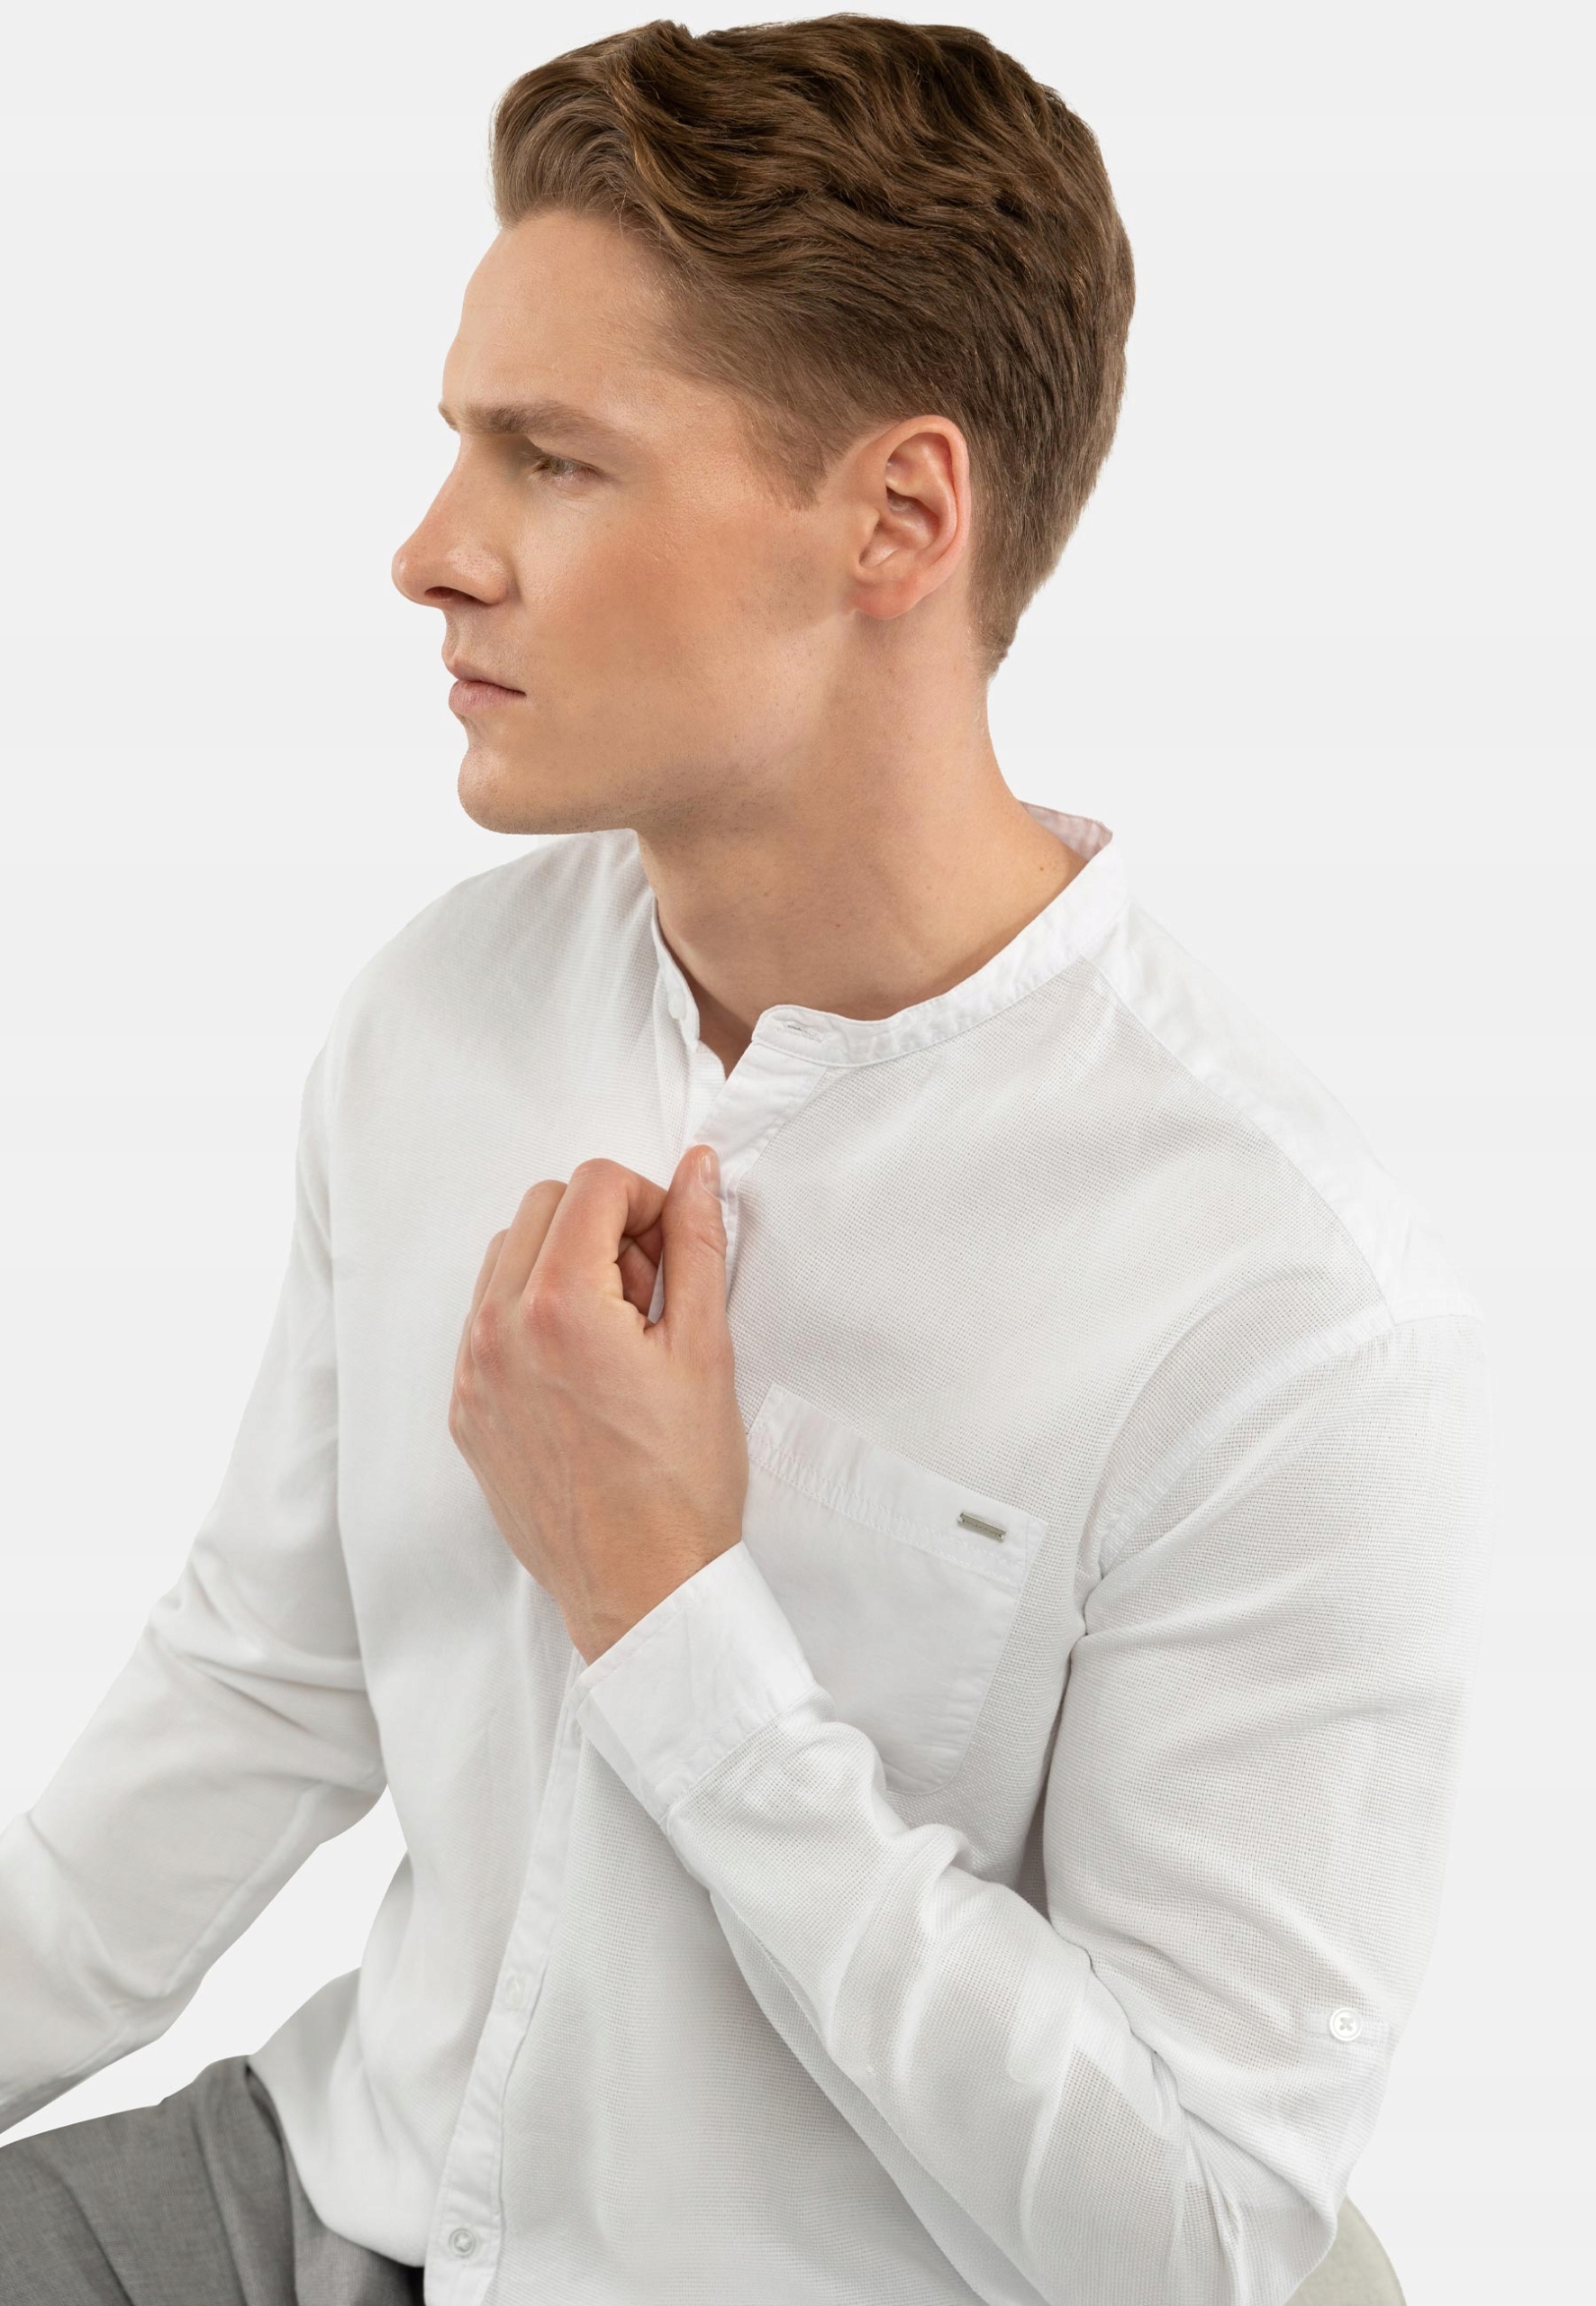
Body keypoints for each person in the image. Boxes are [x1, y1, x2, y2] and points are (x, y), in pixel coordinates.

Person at [0, 15, 1483, 2305]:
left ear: (897, 519)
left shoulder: (1273, 1308)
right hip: (326, 2188)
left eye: (553, 460)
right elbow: (265, 1682)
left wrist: (671, 1612)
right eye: (458, 445)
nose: (430, 551)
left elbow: (1197, 2238)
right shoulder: (440, 1011)